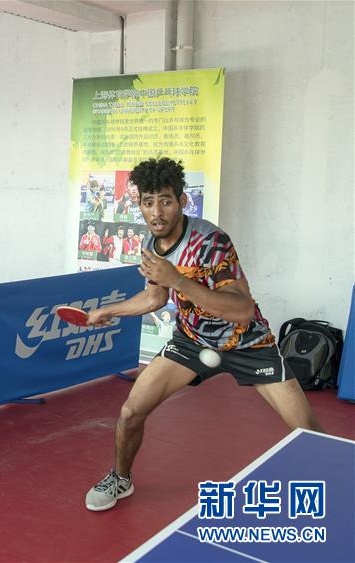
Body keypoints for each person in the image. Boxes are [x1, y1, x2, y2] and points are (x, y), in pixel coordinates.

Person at [83, 157, 322, 512]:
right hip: (192, 341)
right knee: (131, 412)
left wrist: (177, 278)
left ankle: (336, 482)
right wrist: (109, 310)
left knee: (307, 433)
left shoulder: (211, 241)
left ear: (182, 200)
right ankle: (121, 478)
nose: (157, 212)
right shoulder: (151, 244)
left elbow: (241, 308)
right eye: (148, 202)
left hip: (247, 342)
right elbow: (156, 296)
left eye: (165, 200)